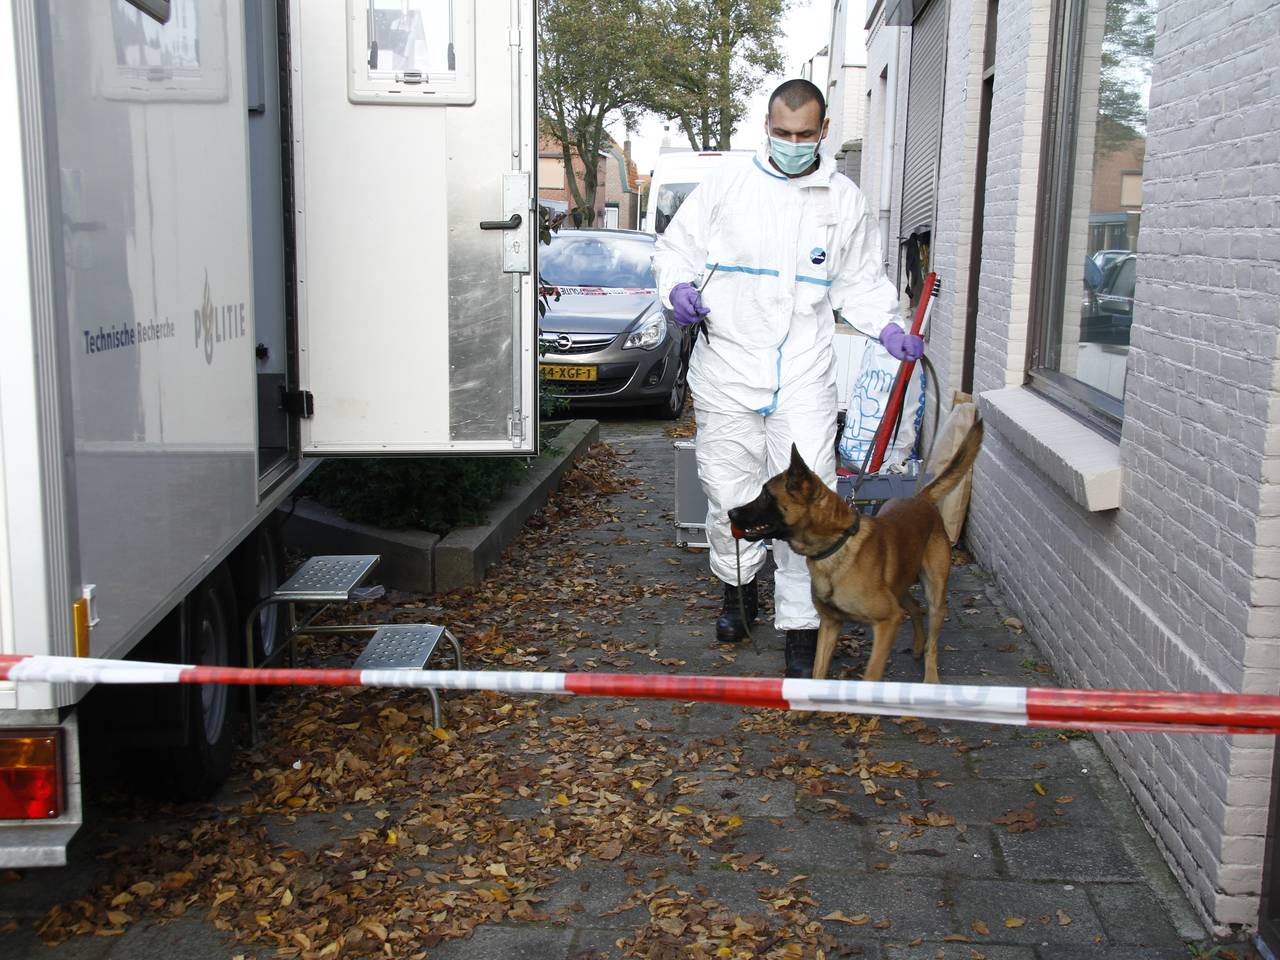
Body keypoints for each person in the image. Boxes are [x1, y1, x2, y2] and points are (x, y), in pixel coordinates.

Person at [653, 79, 922, 678]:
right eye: (783, 133)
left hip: (802, 371)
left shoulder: (842, 199)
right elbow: (675, 252)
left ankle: (802, 628)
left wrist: (887, 327)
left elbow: (859, 281)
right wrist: (677, 290)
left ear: (823, 132)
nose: (794, 144)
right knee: (728, 492)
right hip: (728, 366)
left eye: (806, 135)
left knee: (813, 504)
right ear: (766, 127)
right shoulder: (726, 187)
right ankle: (738, 589)